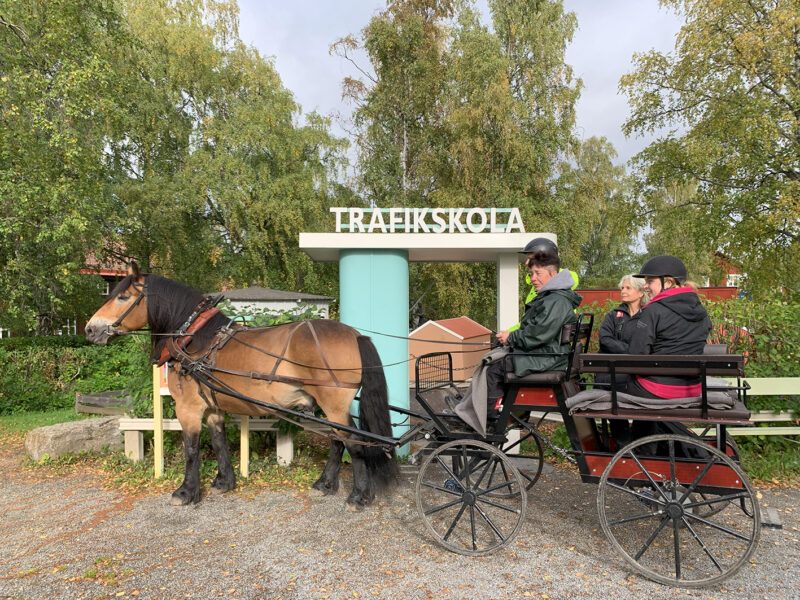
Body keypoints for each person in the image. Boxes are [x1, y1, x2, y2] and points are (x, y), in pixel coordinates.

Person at [621, 255, 712, 450]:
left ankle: (638, 451)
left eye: (650, 281)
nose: (646, 286)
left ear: (668, 282)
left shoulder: (654, 310)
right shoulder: (700, 310)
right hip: (692, 387)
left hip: (659, 389)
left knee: (616, 382)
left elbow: (636, 354)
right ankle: (660, 448)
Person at [489, 250, 582, 414]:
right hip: (550, 354)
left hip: (549, 358)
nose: (532, 278)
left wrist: (511, 337)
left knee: (495, 365)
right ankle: (486, 409)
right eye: (531, 273)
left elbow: (537, 335)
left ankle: (488, 416)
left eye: (538, 273)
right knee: (496, 355)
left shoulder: (556, 300)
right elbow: (535, 330)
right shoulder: (553, 297)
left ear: (553, 274)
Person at [508, 237, 579, 333]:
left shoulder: (554, 293)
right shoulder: (554, 286)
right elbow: (531, 322)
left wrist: (509, 335)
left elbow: (539, 329)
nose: (526, 263)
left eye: (530, 259)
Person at [597, 274, 650, 390]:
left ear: (641, 293)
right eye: (622, 288)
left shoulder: (648, 316)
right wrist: (631, 350)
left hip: (637, 370)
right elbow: (605, 340)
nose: (623, 291)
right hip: (610, 368)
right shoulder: (613, 315)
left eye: (628, 288)